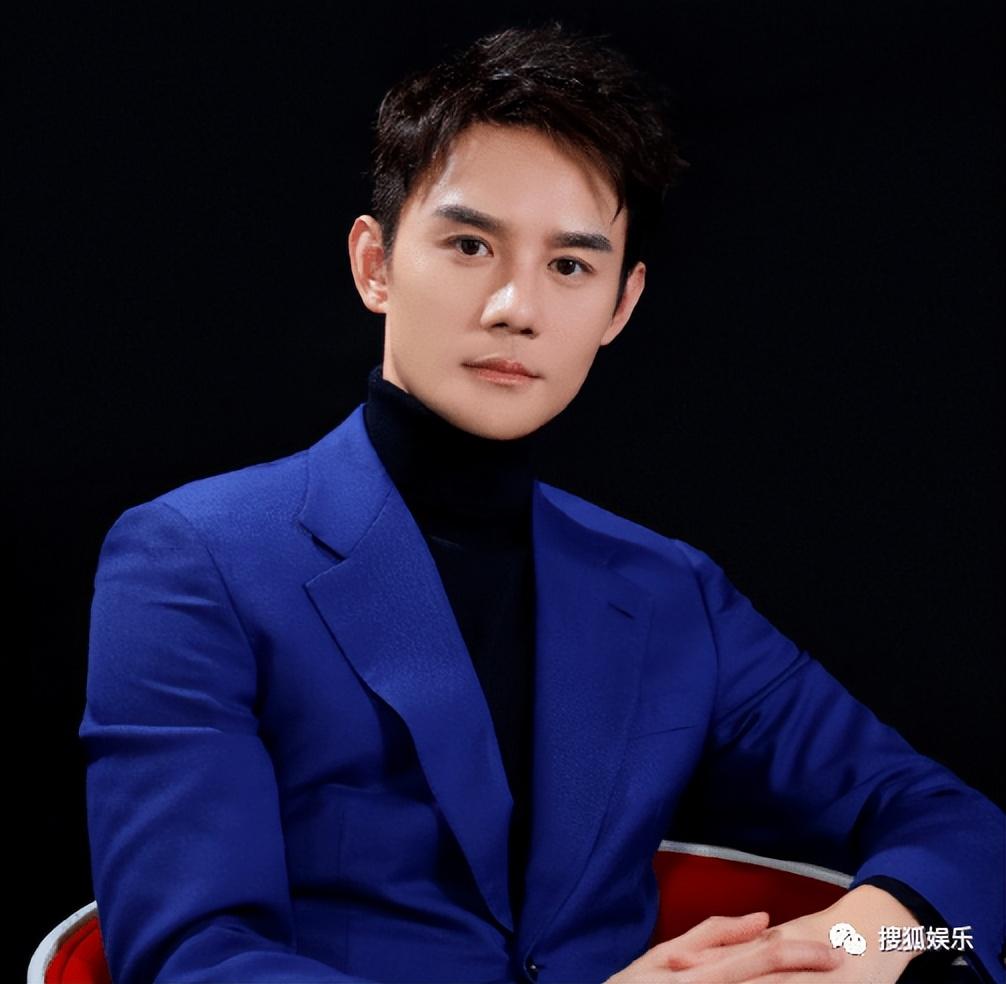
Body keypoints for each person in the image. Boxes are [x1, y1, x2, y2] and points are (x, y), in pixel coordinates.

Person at [79, 22, 1004, 984]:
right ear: (375, 264)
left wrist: (860, 944)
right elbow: (194, 958)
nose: (516, 307)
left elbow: (965, 832)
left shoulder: (671, 590)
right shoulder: (191, 559)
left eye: (569, 265)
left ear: (620, 306)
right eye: (470, 244)